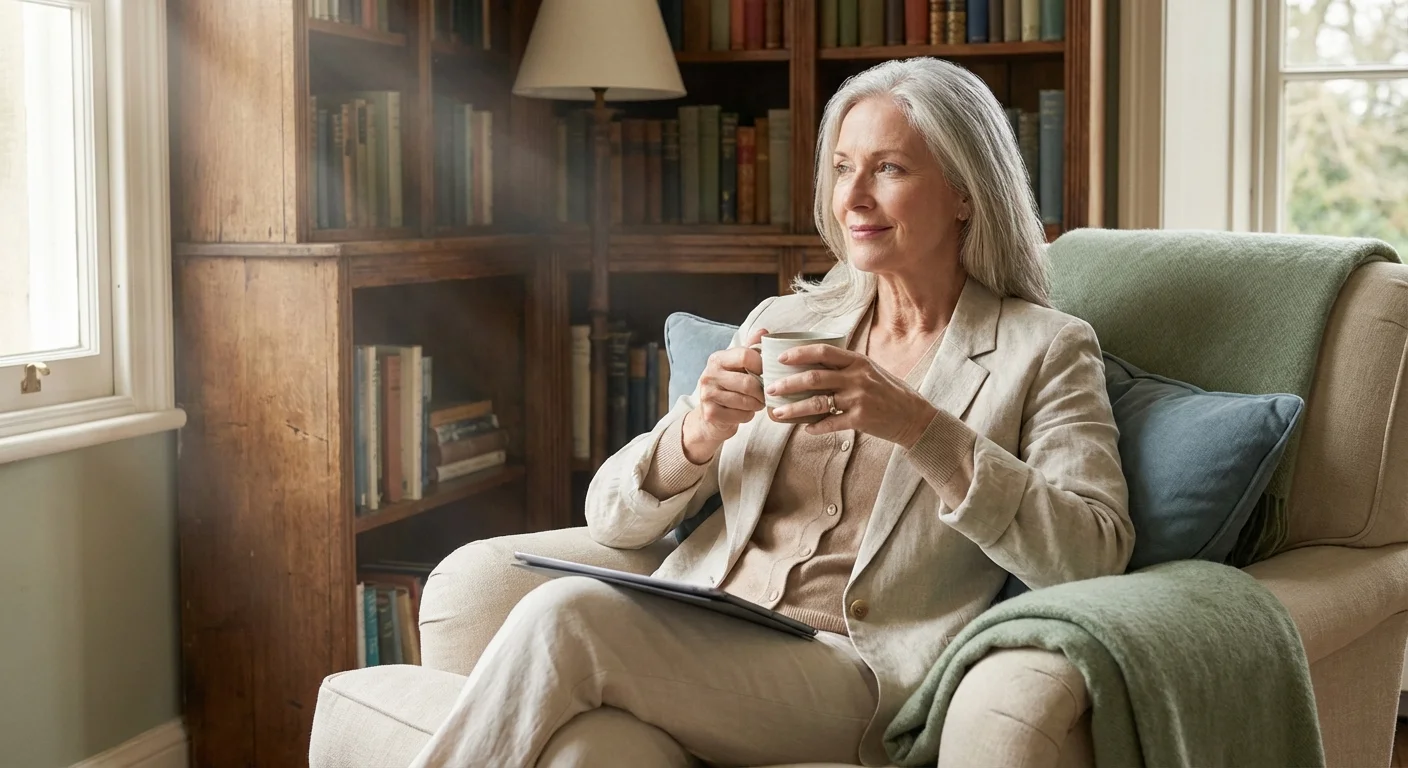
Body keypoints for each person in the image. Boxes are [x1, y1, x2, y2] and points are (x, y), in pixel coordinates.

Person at [408, 57, 1133, 768]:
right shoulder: (787, 321)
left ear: (965, 193)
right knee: (589, 752)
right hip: (702, 629)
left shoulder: (1045, 349)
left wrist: (919, 427)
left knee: (561, 614)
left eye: (889, 169)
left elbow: (1092, 551)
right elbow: (611, 519)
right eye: (844, 168)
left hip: (851, 671)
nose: (853, 198)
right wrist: (698, 433)